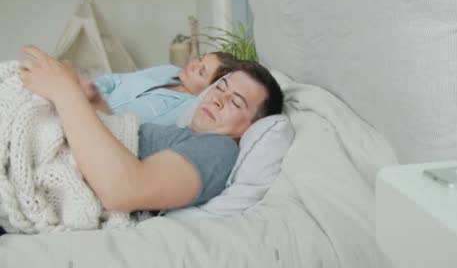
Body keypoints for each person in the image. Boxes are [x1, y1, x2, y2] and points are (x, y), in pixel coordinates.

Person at [18, 45, 284, 212]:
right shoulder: (183, 133)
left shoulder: (219, 150)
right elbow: (125, 146)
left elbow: (124, 189)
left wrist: (65, 93)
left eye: (235, 102)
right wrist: (94, 102)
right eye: (221, 88)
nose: (217, 98)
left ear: (250, 127)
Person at [80, 51, 240, 125]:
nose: (193, 65)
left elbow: (133, 132)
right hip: (82, 102)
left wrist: (95, 105)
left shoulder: (186, 110)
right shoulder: (169, 70)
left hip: (94, 127)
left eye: (201, 72)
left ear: (210, 88)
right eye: (199, 59)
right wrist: (93, 88)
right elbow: (116, 79)